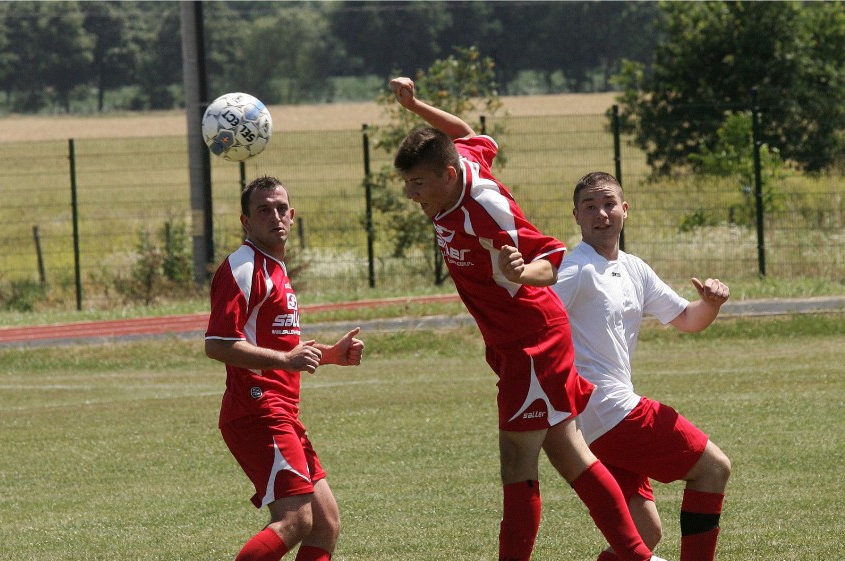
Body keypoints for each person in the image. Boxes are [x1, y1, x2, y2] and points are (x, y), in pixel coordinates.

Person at [390, 76, 666, 561]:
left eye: (418, 183)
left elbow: (554, 255)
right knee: (569, 453)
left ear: (448, 176)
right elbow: (462, 131)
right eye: (408, 183)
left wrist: (525, 271)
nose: (412, 194)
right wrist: (416, 107)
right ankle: (640, 556)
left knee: (518, 465)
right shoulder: (462, 160)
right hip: (516, 339)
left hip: (532, 340)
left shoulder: (485, 208)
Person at [551, 171, 732, 561]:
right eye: (590, 207)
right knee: (714, 468)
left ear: (625, 210)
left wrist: (711, 305)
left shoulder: (634, 268)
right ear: (576, 217)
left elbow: (688, 318)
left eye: (609, 204)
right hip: (610, 409)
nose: (601, 213)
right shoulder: (576, 268)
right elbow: (537, 317)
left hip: (599, 420)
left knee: (643, 536)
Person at [204, 176, 365, 561]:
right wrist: (286, 360)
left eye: (281, 208)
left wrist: (327, 355)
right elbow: (218, 344)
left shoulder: (275, 268)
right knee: (295, 519)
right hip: (257, 409)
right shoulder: (242, 267)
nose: (275, 216)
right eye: (263, 209)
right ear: (246, 221)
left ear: (292, 216)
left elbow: (278, 346)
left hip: (281, 411)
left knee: (325, 524)